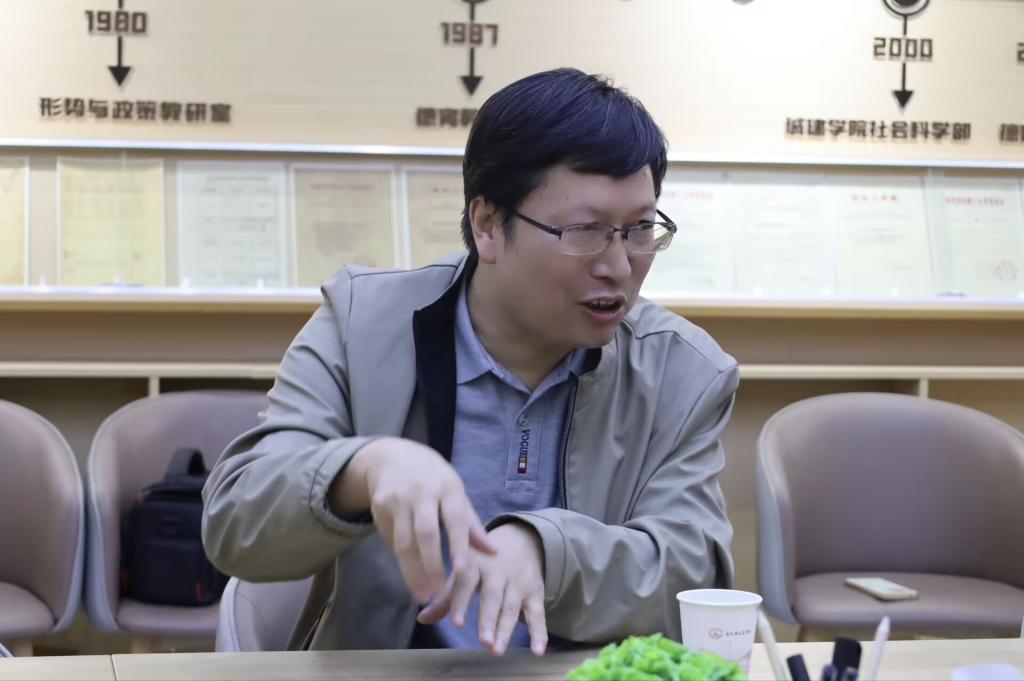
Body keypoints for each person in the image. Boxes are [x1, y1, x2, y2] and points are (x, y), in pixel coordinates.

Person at [202, 67, 738, 657]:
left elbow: (693, 574)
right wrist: (361, 469)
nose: (617, 266)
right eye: (586, 231)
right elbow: (235, 524)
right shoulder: (362, 323)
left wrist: (549, 553)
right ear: (487, 225)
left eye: (639, 230)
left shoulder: (683, 372)